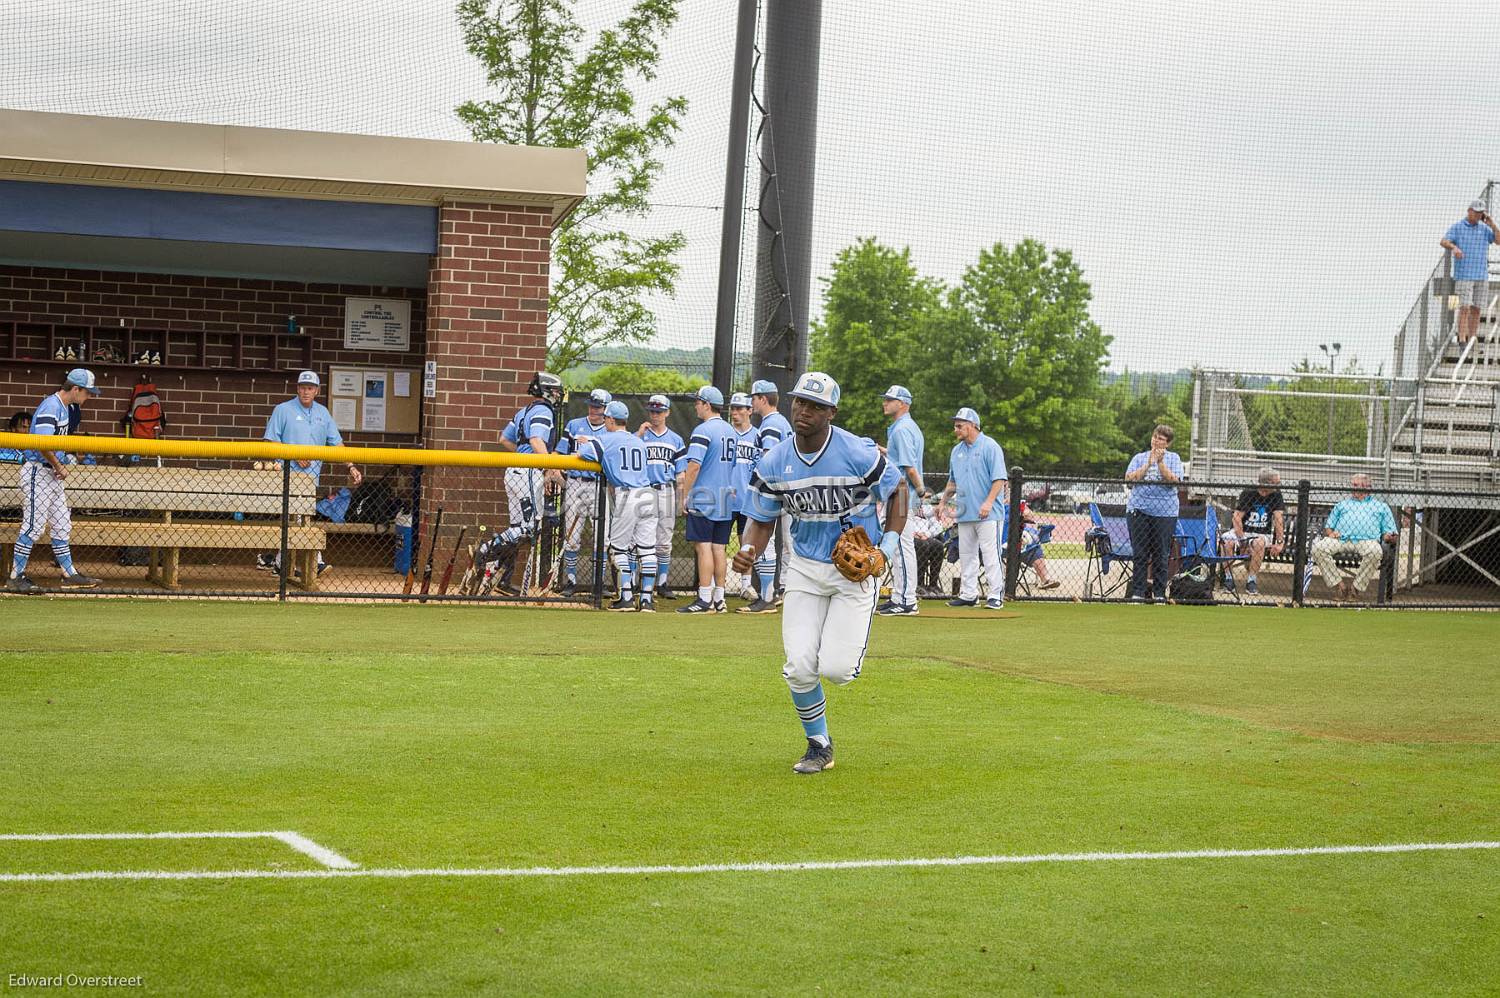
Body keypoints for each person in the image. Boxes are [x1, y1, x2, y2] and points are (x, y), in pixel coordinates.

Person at [732, 371, 905, 774]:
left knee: (836, 669)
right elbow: (762, 518)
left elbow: (897, 490)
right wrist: (747, 549)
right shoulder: (775, 460)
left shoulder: (858, 452)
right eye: (799, 402)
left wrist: (890, 546)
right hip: (806, 569)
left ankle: (841, 661)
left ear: (832, 412)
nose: (804, 411)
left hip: (855, 573)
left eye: (815, 406)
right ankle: (819, 744)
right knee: (798, 664)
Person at [256, 371, 362, 577]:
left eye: (310, 388)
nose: (306, 391)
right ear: (297, 388)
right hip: (285, 476)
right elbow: (269, 442)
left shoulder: (323, 413)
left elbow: (336, 443)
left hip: (310, 479)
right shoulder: (283, 409)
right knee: (296, 520)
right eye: (303, 387)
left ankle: (278, 563)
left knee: (298, 521)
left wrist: (351, 466)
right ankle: (315, 561)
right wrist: (293, 453)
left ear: (317, 390)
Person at [7, 369, 103, 592]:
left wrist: (58, 465)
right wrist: (58, 464)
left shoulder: (67, 408)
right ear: (76, 389)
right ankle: (15, 576)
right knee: (33, 526)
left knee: (62, 524)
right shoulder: (52, 405)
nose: (89, 397)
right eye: (87, 393)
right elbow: (42, 443)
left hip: (51, 474)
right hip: (38, 472)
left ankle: (69, 574)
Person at [573, 401, 660, 613]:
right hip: (648, 494)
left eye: (606, 419)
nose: (604, 422)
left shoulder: (605, 439)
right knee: (647, 549)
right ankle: (647, 600)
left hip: (626, 494)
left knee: (618, 548)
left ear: (610, 419)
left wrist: (588, 441)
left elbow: (582, 452)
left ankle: (626, 598)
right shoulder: (638, 441)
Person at [498, 371, 562, 591]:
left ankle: (502, 576)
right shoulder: (544, 410)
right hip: (527, 472)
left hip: (514, 471)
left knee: (517, 527)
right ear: (545, 391)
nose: (557, 395)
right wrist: (550, 467)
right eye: (554, 391)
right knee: (529, 527)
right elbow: (536, 440)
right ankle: (487, 551)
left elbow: (504, 439)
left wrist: (523, 455)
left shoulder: (523, 411)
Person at [938, 407, 1007, 609]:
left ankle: (995, 595)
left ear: (972, 426)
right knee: (967, 554)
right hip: (965, 512)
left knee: (990, 553)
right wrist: (942, 502)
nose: (956, 429)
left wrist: (988, 502)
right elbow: (952, 482)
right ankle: (969, 594)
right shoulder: (956, 451)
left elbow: (999, 479)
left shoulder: (990, 446)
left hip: (989, 513)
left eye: (959, 426)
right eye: (955, 426)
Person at [676, 386, 737, 614]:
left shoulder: (703, 430)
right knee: (719, 548)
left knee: (703, 548)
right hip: (725, 497)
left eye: (698, 402)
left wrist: (685, 496)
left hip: (704, 497)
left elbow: (693, 467)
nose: (696, 406)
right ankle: (719, 599)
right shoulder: (730, 430)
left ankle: (704, 599)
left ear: (707, 405)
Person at [556, 387, 611, 597]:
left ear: (606, 410)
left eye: (598, 407)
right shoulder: (574, 425)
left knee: (602, 537)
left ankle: (599, 583)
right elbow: (559, 453)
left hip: (599, 485)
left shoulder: (610, 431)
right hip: (575, 483)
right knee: (572, 535)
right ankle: (571, 581)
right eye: (591, 405)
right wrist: (554, 474)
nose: (593, 409)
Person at [878, 385, 927, 616]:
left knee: (900, 546)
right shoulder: (905, 427)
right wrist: (884, 451)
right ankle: (900, 596)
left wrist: (920, 490)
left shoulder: (901, 429)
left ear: (903, 403)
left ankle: (907, 600)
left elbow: (909, 466)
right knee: (898, 547)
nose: (885, 402)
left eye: (890, 399)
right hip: (901, 494)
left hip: (902, 495)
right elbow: (901, 458)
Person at [1310, 474, 1398, 602]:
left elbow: (1387, 533)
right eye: (1353, 485)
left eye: (1356, 485)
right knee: (1318, 548)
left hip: (1367, 541)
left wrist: (1389, 537)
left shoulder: (1381, 507)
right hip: (1341, 539)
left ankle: (1355, 589)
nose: (1353, 488)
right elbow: (1329, 526)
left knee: (1376, 551)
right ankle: (1340, 587)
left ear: (1367, 487)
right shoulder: (1342, 505)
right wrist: (1330, 533)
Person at [1122, 423, 1184, 602]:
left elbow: (1174, 481)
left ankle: (1159, 594)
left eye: (1161, 439)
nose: (1156, 441)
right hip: (1139, 510)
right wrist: (1149, 463)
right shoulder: (1139, 458)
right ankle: (1138, 593)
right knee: (1140, 553)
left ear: (1168, 443)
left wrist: (1160, 463)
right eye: (1155, 437)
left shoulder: (1174, 458)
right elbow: (1129, 480)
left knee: (1161, 554)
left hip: (1165, 513)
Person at [747, 379, 793, 609]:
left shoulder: (771, 424)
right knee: (788, 544)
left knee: (762, 541)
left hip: (773, 491)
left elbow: (769, 459)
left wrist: (765, 493)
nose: (752, 402)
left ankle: (767, 596)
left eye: (753, 398)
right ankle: (784, 589)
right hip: (788, 490)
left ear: (763, 399)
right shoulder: (780, 421)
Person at [637, 394, 685, 598]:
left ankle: (662, 583)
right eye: (652, 411)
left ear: (667, 412)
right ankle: (638, 582)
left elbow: (680, 474)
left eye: (659, 411)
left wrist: (682, 499)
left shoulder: (675, 439)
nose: (655, 415)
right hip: (643, 490)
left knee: (664, 540)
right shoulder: (640, 436)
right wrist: (638, 434)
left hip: (666, 490)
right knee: (639, 538)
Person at [1439, 200, 1499, 346]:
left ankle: (1472, 338)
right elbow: (1444, 241)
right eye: (1476, 211)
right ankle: (1462, 339)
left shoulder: (1484, 228)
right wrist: (1454, 248)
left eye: (1481, 212)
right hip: (1464, 274)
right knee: (1464, 307)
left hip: (1481, 275)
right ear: (1469, 211)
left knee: (1477, 308)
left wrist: (1492, 224)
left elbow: (1498, 240)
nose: (1478, 215)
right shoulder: (1458, 227)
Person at [1219, 467, 1285, 596]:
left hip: (1262, 534)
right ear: (1266, 483)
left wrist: (1280, 542)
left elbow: (1278, 519)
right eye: (1276, 483)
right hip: (1243, 531)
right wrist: (1242, 540)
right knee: (1226, 540)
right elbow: (1237, 518)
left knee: (1259, 543)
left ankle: (1251, 581)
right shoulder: (1249, 492)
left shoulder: (1276, 494)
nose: (1279, 485)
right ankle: (1228, 579)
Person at [725, 392, 762, 603]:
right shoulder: (725, 433)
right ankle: (715, 587)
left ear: (750, 410)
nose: (735, 412)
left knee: (746, 544)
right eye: (733, 408)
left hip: (748, 500)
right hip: (725, 498)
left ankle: (746, 586)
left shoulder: (757, 435)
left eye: (740, 408)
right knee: (718, 544)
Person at [911, 499, 950, 599]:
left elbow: (937, 527)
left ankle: (933, 585)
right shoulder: (905, 504)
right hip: (908, 537)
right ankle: (919, 584)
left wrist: (926, 534)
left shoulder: (926, 507)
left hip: (925, 537)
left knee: (938, 546)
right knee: (923, 545)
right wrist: (912, 533)